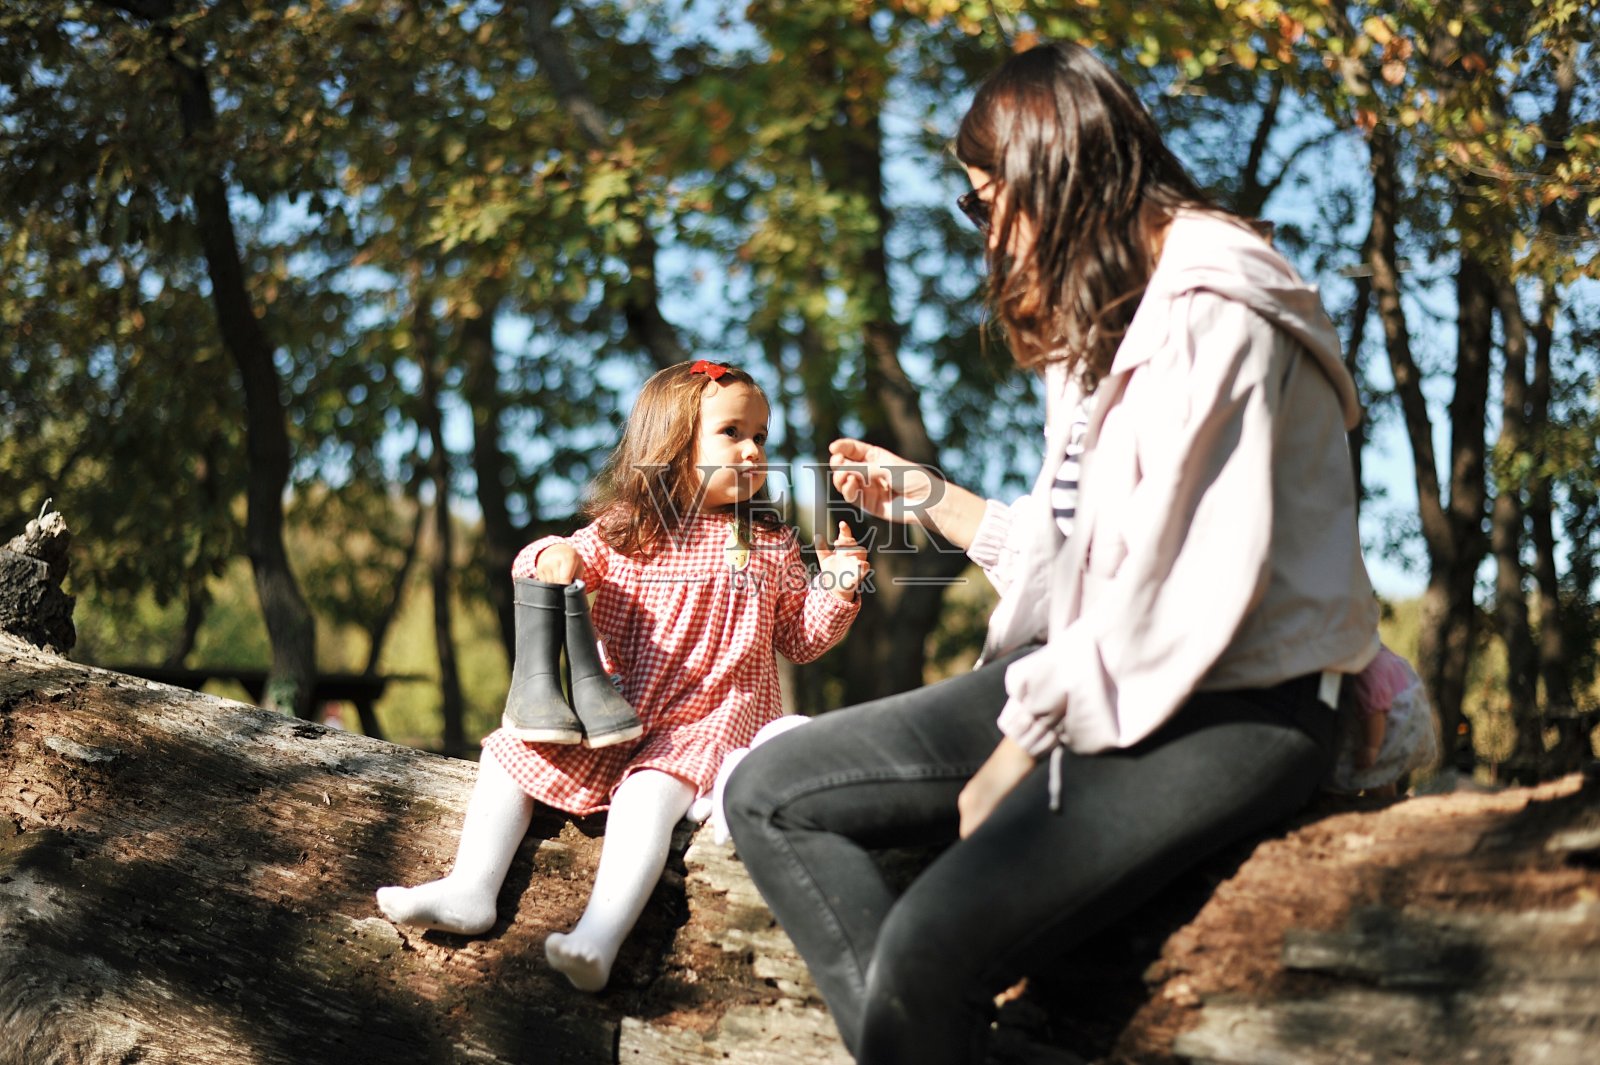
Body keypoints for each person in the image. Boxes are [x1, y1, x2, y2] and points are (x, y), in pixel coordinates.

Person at [723, 41, 1380, 1064]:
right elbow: (1082, 556)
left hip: (1234, 701)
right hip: (1089, 672)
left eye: (985, 201)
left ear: (1051, 174)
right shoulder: (1102, 315)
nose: (983, 233)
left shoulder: (1213, 307)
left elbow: (1166, 592)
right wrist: (933, 501)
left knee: (928, 952)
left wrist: (1020, 751)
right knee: (772, 794)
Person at [377, 359, 869, 993]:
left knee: (646, 797)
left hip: (712, 726)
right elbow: (554, 557)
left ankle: (599, 935)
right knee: (508, 751)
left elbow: (800, 640)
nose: (753, 450)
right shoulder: (627, 532)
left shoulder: (768, 543)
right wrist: (553, 555)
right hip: (621, 717)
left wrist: (836, 588)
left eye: (762, 436)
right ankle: (472, 888)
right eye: (732, 433)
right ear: (671, 444)